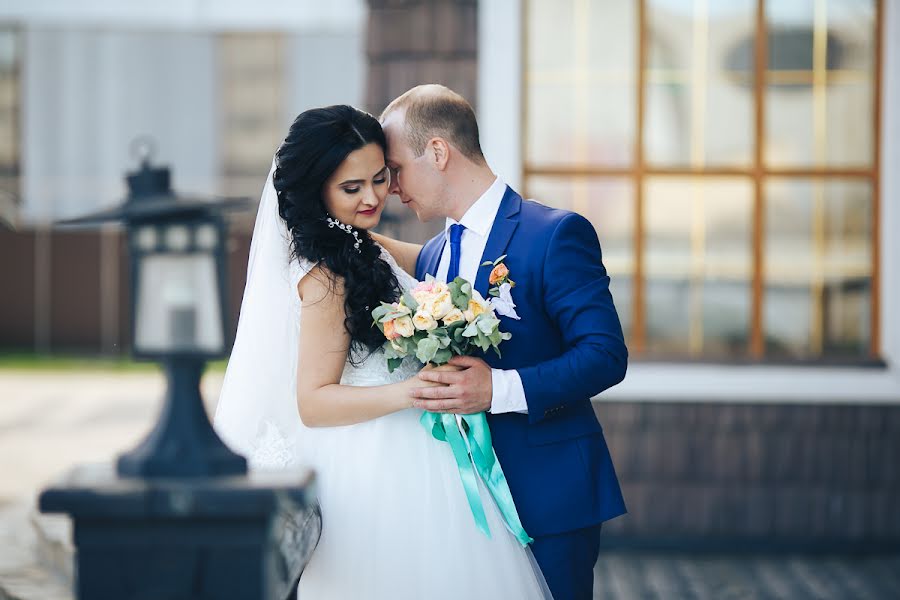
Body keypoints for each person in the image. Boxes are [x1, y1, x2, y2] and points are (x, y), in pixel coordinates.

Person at [213, 105, 551, 599]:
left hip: (416, 453)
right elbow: (313, 401)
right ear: (317, 191)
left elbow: (438, 259)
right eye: (352, 188)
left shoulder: (358, 247)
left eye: (379, 178)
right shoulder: (325, 276)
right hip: (372, 464)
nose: (373, 196)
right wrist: (410, 390)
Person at [376, 85, 628, 600]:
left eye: (396, 169)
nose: (391, 189)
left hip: (548, 495)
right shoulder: (433, 256)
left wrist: (499, 389)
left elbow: (605, 355)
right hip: (461, 508)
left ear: (439, 152)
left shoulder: (555, 234)